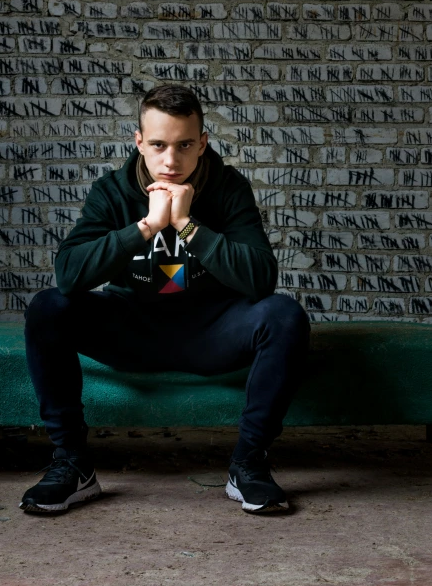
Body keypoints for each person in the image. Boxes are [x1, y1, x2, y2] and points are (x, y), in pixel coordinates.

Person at [20, 84, 310, 515]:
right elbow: (69, 275)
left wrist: (188, 225)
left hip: (211, 330)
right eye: (157, 145)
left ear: (203, 143)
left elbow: (261, 279)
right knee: (48, 307)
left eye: (184, 145)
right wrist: (146, 227)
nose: (170, 161)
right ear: (139, 142)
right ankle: (73, 465)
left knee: (284, 315)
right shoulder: (113, 191)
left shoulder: (228, 188)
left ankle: (248, 464)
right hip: (133, 329)